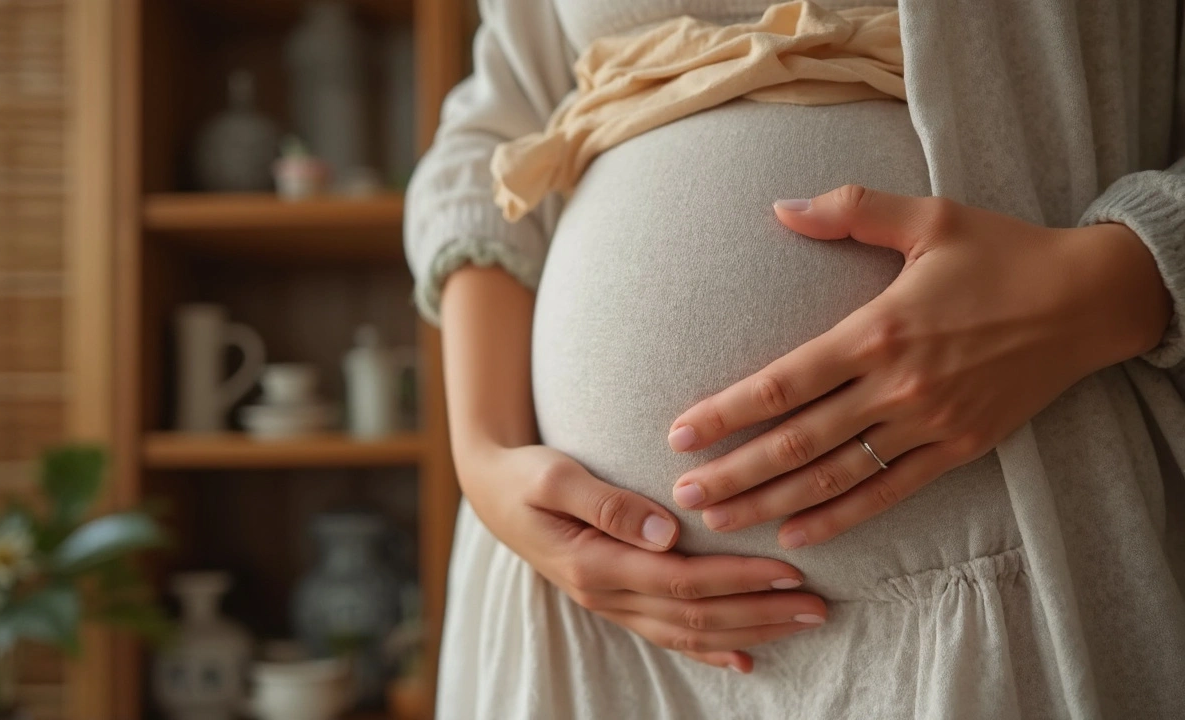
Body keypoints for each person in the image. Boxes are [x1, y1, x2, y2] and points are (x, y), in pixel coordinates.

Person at [404, 0, 1185, 717]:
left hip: (1004, 582)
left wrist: (1102, 292)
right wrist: (482, 454)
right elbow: (494, 129)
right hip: (588, 625)